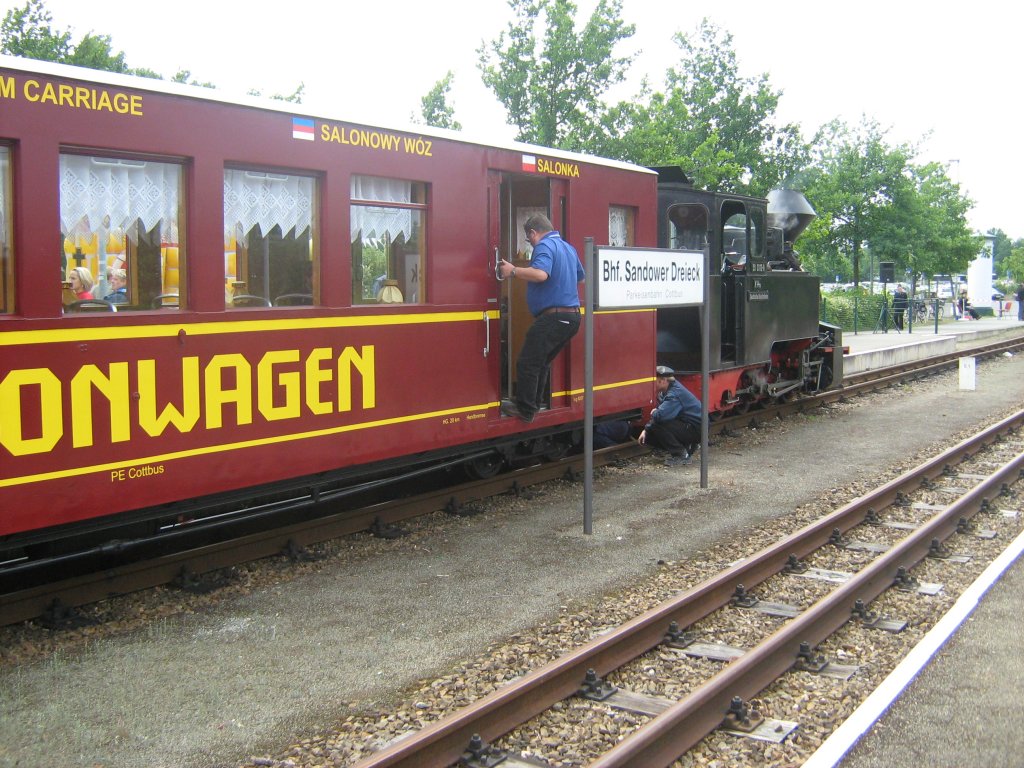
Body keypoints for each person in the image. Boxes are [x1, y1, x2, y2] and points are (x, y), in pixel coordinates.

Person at [496, 214, 584, 423]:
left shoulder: (545, 246)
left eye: (529, 239)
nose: (531, 242)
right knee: (541, 361)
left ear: (534, 233)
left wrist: (513, 271)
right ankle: (535, 403)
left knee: (527, 361)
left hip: (554, 316)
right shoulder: (568, 247)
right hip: (571, 317)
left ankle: (525, 409)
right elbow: (580, 277)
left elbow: (541, 274)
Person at [639, 365, 702, 467]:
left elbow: (660, 416)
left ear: (663, 381)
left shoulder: (674, 394)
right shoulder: (668, 389)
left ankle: (681, 455)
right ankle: (689, 446)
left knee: (657, 425)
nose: (652, 384)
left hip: (696, 429)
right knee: (648, 435)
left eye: (655, 381)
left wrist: (654, 413)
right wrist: (646, 429)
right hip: (691, 425)